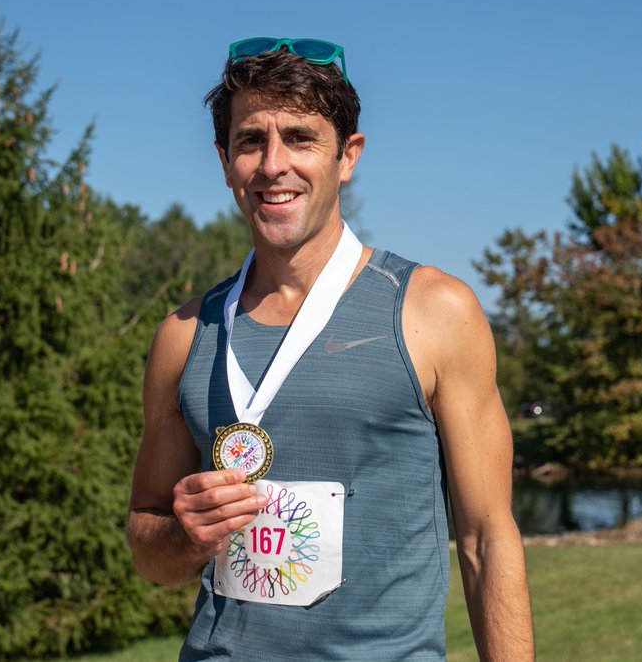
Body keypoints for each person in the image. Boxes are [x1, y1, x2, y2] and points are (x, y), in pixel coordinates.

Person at [126, 37, 534, 661]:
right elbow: (148, 546)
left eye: (300, 137)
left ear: (348, 156)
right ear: (224, 159)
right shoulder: (184, 334)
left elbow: (486, 539)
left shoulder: (433, 310)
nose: (272, 164)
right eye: (250, 140)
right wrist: (182, 538)